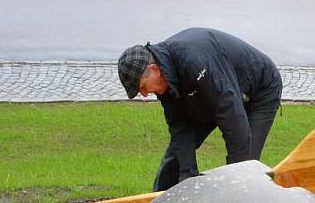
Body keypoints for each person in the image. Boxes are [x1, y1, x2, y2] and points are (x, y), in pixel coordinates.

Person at [117, 28, 283, 191]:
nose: (145, 94)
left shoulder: (192, 60)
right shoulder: (164, 78)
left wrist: (236, 182)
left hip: (260, 89)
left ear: (154, 69)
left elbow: (232, 118)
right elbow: (180, 128)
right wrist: (187, 174)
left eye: (143, 87)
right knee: (176, 160)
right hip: (212, 91)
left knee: (244, 166)